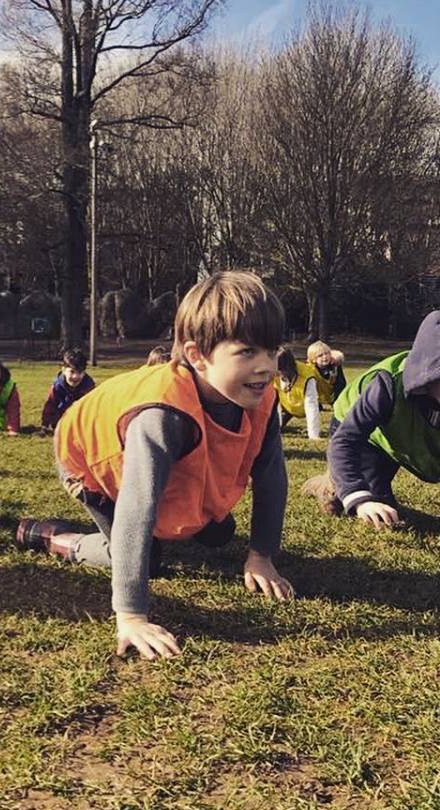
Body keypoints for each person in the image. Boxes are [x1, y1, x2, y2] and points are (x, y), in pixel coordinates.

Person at [16, 271, 294, 660]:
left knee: (217, 532)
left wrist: (261, 556)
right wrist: (131, 616)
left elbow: (271, 480)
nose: (266, 366)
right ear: (197, 356)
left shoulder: (261, 398)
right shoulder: (161, 415)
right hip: (87, 460)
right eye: (247, 352)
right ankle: (53, 538)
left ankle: (200, 528)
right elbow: (136, 506)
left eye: (272, 350)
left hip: (150, 454)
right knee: (146, 556)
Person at [303, 310, 440, 528]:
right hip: (367, 435)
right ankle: (331, 485)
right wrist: (359, 498)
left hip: (400, 435)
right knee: (375, 508)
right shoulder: (387, 385)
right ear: (429, 374)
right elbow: (345, 441)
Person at [40, 348, 96, 435]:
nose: (75, 376)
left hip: (82, 421)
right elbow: (50, 404)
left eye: (80, 372)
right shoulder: (57, 386)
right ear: (63, 370)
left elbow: (93, 409)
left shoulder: (88, 387)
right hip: (62, 419)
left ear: (84, 372)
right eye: (72, 372)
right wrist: (45, 425)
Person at [274, 346, 323, 440]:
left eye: (279, 370)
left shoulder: (307, 376)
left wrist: (313, 435)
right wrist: (277, 429)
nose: (275, 373)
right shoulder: (271, 373)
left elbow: (311, 406)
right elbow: (274, 404)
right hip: (287, 407)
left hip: (302, 407)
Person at [306, 340, 347, 408]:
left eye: (327, 353)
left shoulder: (335, 366)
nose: (325, 357)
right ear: (313, 359)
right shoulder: (310, 369)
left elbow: (341, 384)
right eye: (320, 355)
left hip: (333, 396)